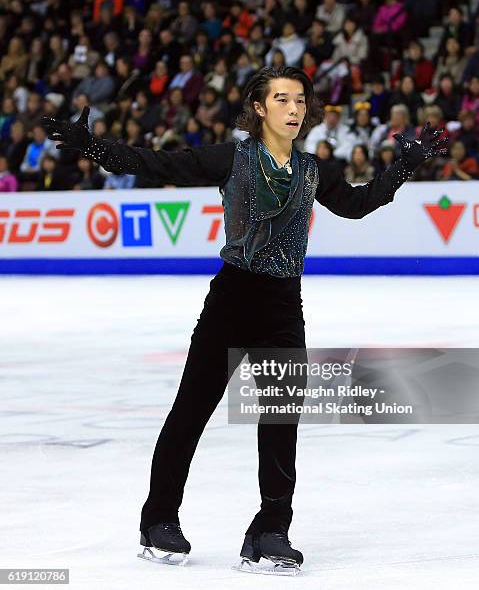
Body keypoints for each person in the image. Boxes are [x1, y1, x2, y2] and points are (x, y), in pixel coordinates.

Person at [42, 66, 447, 574]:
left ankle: (271, 529)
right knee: (192, 411)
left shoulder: (312, 169)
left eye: (300, 99)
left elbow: (358, 205)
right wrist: (92, 147)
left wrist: (402, 167)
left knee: (281, 421)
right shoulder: (231, 158)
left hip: (282, 306)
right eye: (282, 99)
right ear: (259, 108)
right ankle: (159, 518)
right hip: (232, 298)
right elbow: (157, 164)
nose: (295, 109)